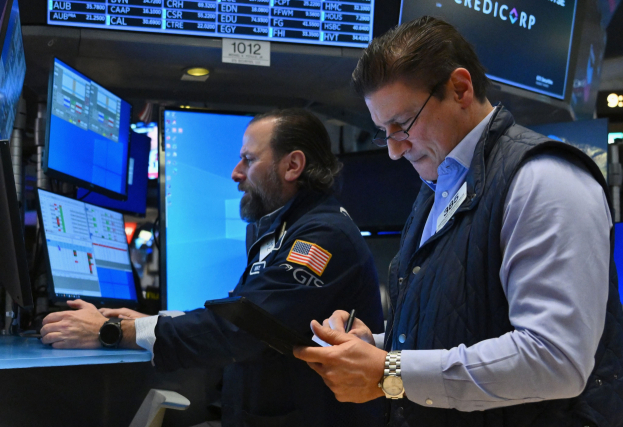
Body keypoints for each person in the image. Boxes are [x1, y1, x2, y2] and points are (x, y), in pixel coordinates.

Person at [294, 16, 623, 427]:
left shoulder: (543, 179)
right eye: (382, 132)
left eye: (402, 126)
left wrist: (390, 372)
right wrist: (374, 349)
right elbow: (464, 327)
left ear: (460, 88)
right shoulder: (436, 188)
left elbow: (554, 360)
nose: (392, 150)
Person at [40, 108, 385, 427]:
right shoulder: (284, 230)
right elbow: (239, 315)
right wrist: (146, 322)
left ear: (293, 165)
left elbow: (242, 331)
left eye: (248, 160)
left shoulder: (322, 236)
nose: (236, 173)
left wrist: (112, 332)